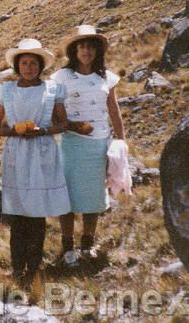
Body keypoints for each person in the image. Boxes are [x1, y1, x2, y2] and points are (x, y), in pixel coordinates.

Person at [0, 39, 71, 284]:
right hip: (16, 152)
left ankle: (34, 266)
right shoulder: (6, 91)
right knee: (18, 213)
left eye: (33, 63)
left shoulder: (52, 90)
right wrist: (14, 132)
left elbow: (63, 123)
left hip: (42, 151)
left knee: (37, 212)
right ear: (17, 66)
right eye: (24, 63)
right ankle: (17, 267)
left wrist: (43, 131)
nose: (28, 67)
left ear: (40, 66)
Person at [52, 25, 126, 265]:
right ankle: (67, 246)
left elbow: (113, 110)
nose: (86, 51)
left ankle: (87, 243)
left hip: (99, 143)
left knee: (93, 195)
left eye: (90, 47)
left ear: (97, 51)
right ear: (74, 50)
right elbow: (54, 111)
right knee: (68, 196)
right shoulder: (61, 77)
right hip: (72, 143)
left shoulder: (106, 77)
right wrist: (70, 125)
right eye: (82, 46)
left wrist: (121, 140)